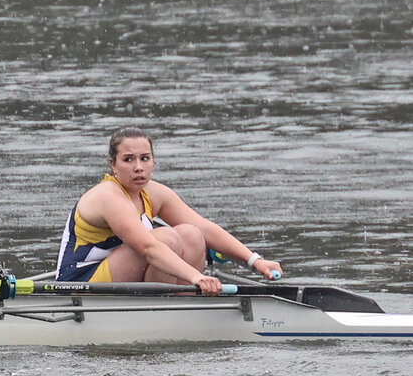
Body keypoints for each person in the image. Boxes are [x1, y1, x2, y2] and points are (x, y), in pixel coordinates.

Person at [56, 126, 283, 295]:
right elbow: (148, 248)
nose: (138, 167)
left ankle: (181, 303)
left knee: (192, 234)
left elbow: (205, 227)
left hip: (119, 276)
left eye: (145, 158)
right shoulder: (108, 195)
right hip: (79, 284)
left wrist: (254, 260)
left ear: (153, 161)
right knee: (166, 238)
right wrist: (197, 276)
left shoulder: (153, 193)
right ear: (113, 165)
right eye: (128, 160)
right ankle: (160, 310)